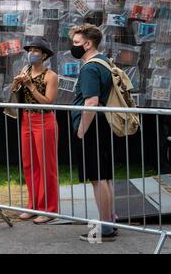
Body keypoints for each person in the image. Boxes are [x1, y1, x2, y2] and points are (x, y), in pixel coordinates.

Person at [69, 24, 117, 242]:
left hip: (92, 126)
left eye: (77, 43)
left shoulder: (90, 68)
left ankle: (105, 228)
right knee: (104, 176)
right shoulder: (105, 61)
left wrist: (81, 128)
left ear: (88, 44)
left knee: (97, 178)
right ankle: (110, 221)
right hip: (103, 124)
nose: (74, 46)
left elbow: (91, 101)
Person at [12, 36, 59, 224]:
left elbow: (48, 102)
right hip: (26, 119)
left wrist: (31, 86)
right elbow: (16, 95)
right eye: (30, 50)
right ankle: (33, 205)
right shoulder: (25, 70)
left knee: (46, 165)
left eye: (36, 50)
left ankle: (49, 208)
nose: (32, 53)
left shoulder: (51, 76)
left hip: (44, 119)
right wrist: (17, 85)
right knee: (29, 164)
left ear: (44, 55)